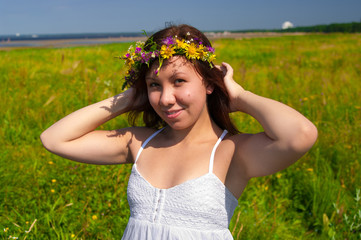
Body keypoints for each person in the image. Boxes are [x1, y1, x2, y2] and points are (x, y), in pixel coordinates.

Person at [40, 24, 318, 239]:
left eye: (179, 81)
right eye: (154, 85)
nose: (165, 99)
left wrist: (241, 96)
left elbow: (301, 134)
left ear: (209, 83)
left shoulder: (231, 151)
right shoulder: (138, 142)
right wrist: (127, 99)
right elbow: (53, 139)